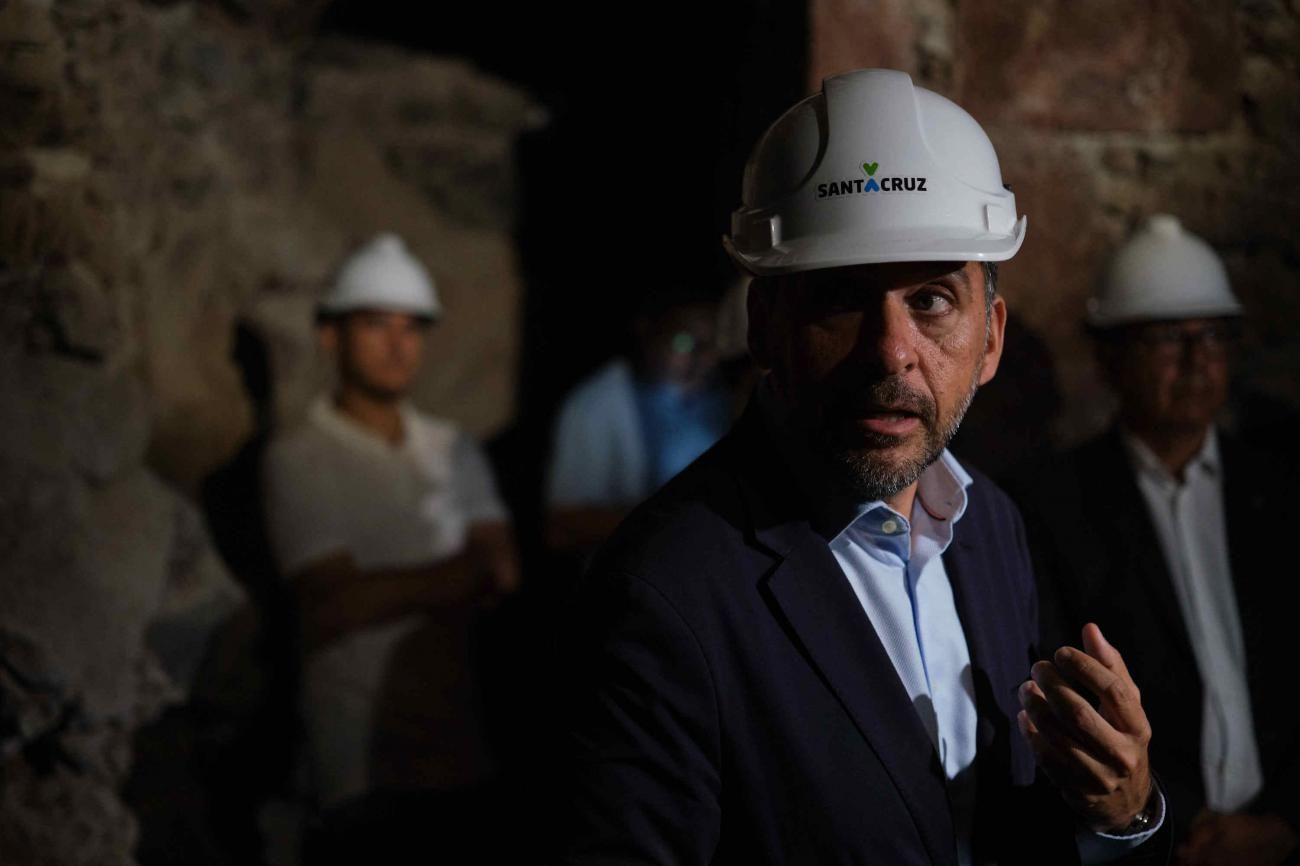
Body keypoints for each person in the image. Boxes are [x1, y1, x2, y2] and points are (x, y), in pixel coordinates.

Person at [557, 69, 1170, 866]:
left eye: (932, 299)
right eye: (841, 299)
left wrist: (1120, 814)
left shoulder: (991, 529)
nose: (890, 352)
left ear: (991, 339)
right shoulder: (666, 592)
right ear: (767, 328)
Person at [1006, 215, 1300, 865]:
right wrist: (1183, 821)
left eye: (1213, 338)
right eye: (1168, 339)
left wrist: (1284, 826)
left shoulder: (1281, 491)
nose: (1197, 362)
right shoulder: (1053, 507)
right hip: (1157, 846)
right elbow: (1070, 691)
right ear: (1109, 358)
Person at [261, 233, 519, 861]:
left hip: (462, 758)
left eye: (412, 328)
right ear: (331, 335)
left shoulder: (453, 448)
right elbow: (332, 606)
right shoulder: (298, 459)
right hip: (358, 773)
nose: (399, 345)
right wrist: (459, 572)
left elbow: (504, 572)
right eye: (377, 325)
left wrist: (385, 589)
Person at [544, 288, 733, 555]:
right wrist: (674, 525)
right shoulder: (596, 404)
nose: (702, 358)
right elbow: (563, 523)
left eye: (712, 343)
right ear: (646, 331)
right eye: (684, 342)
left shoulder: (722, 398)